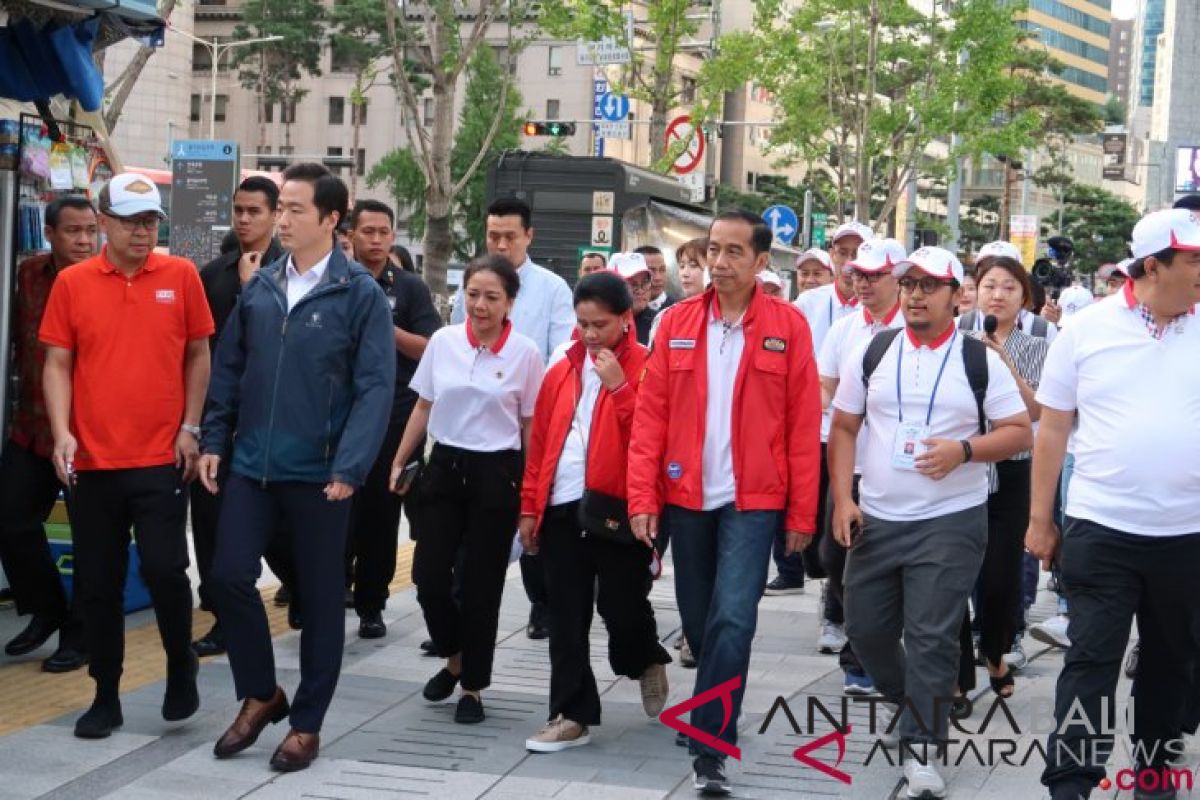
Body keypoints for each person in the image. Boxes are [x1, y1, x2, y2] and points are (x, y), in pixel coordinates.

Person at [200, 163, 395, 772]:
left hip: (322, 475)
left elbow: (375, 388)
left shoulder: (358, 295)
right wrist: (213, 438)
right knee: (228, 577)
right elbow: (228, 369)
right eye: (278, 208)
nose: (280, 219)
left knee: (317, 601)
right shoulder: (259, 287)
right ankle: (261, 692)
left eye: (293, 210)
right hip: (251, 466)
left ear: (330, 220)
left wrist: (353, 464)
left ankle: (306, 724)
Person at [628, 209, 821, 796]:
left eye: (735, 251)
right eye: (714, 249)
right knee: (698, 620)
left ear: (762, 263)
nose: (720, 261)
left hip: (754, 499)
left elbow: (802, 423)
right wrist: (643, 494)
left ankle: (712, 744)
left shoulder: (788, 327)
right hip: (687, 496)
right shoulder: (676, 322)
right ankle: (713, 704)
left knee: (735, 617)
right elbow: (650, 417)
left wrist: (801, 514)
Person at [829, 246, 1031, 798]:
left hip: (951, 520)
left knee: (931, 637)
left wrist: (964, 450)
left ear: (954, 295)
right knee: (866, 630)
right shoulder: (874, 350)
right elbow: (844, 426)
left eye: (928, 285)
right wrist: (843, 501)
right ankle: (913, 702)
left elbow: (1020, 430)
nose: (916, 294)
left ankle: (924, 747)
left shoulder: (978, 359)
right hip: (877, 516)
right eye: (909, 284)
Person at [1027, 208, 1200, 800]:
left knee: (1169, 663)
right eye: (1195, 260)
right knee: (1091, 660)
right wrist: (1040, 520)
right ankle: (1072, 781)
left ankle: (1153, 778)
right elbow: (1052, 429)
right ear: (1153, 266)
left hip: (1187, 533)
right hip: (1102, 526)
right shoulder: (1088, 327)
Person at [40, 174, 215, 738]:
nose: (143, 232)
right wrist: (62, 432)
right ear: (105, 222)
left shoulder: (181, 275)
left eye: (150, 221)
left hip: (162, 455)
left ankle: (178, 664)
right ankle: (106, 693)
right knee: (98, 581)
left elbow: (198, 353)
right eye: (132, 221)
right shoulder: (73, 282)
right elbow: (58, 364)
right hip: (92, 461)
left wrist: (191, 426)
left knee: (166, 568)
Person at [518, 271, 672, 753]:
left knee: (621, 607)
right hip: (564, 505)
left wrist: (620, 388)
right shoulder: (561, 367)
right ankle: (570, 714)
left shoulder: (649, 366)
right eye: (583, 323)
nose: (589, 335)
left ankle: (645, 656)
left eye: (600, 325)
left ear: (627, 319)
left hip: (621, 507)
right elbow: (540, 442)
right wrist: (530, 507)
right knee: (566, 614)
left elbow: (652, 439)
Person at [392, 254, 545, 725]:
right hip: (445, 466)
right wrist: (399, 460)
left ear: (510, 303)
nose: (479, 305)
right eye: (472, 294)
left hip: (497, 475)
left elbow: (529, 426)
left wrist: (533, 494)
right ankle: (455, 655)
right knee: (428, 578)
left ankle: (472, 686)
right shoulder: (442, 342)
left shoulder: (525, 353)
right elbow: (423, 405)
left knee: (481, 587)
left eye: (491, 297)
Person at [450, 197, 573, 640]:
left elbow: (562, 356)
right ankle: (456, 611)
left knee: (533, 512)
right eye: (493, 236)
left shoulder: (553, 289)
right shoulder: (471, 284)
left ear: (529, 237)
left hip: (531, 420)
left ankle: (542, 603)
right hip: (474, 426)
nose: (500, 244)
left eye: (509, 237)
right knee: (468, 530)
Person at [191, 176, 290, 658]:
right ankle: (223, 616)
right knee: (210, 517)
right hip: (218, 420)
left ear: (276, 215)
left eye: (255, 211)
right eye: (239, 211)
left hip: (276, 423)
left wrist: (257, 290)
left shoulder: (293, 274)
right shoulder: (211, 275)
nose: (246, 220)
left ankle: (306, 590)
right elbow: (200, 353)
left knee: (275, 525)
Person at [0, 197, 96, 673]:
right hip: (33, 427)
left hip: (89, 435)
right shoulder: (26, 277)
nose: (83, 240)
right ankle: (48, 608)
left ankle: (79, 634)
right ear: (50, 234)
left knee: (91, 537)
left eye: (89, 231)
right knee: (11, 519)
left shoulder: (104, 280)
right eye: (72, 231)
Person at [345, 199, 441, 639]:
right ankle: (321, 595)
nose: (378, 240)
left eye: (385, 232)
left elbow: (430, 348)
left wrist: (384, 323)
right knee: (336, 511)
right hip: (341, 416)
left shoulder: (410, 288)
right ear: (350, 235)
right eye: (369, 231)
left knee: (381, 515)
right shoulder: (335, 281)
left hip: (396, 418)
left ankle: (371, 603)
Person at [815, 238, 906, 693]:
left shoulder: (916, 326)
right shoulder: (844, 330)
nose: (863, 283)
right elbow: (824, 389)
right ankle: (863, 643)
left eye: (874, 275)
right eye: (858, 275)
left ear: (897, 277)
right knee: (836, 555)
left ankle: (865, 659)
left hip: (896, 468)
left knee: (880, 565)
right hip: (846, 460)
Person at [957, 256, 1049, 700]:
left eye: (1009, 287)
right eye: (990, 285)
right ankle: (956, 673)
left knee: (999, 576)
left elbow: (1038, 411)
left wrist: (1003, 362)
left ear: (1024, 296)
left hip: (1011, 469)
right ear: (974, 290)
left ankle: (994, 651)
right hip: (960, 466)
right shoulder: (955, 334)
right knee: (951, 575)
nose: (997, 294)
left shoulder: (1038, 345)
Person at [789, 244, 858, 648]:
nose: (849, 264)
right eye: (842, 252)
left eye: (858, 256)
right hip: (814, 432)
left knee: (842, 536)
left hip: (861, 444)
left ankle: (840, 616)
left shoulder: (897, 316)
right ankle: (832, 593)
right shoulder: (809, 304)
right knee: (818, 540)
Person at [611, 252, 656, 345]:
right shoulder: (597, 323)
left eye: (645, 282)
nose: (640, 291)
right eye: (632, 284)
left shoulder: (659, 322)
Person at [637, 244, 675, 312]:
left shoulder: (676, 309)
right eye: (651, 271)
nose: (658, 278)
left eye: (662, 270)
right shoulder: (624, 310)